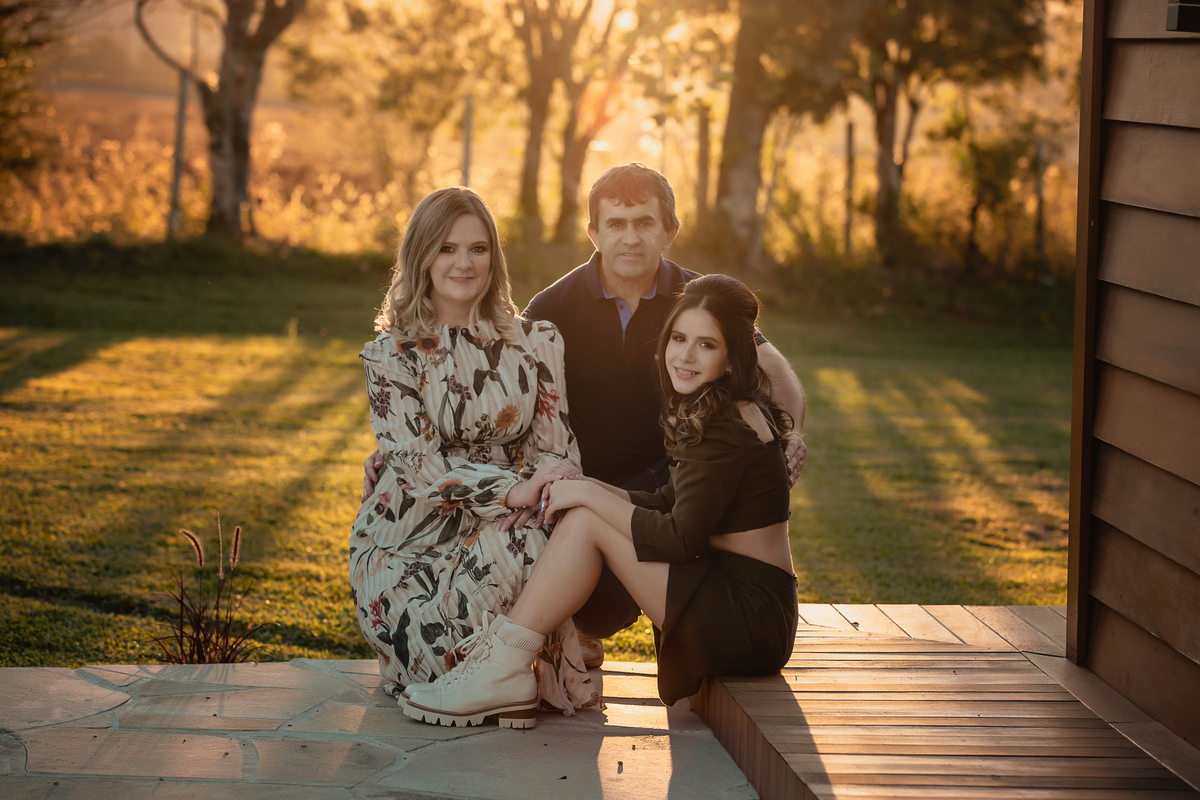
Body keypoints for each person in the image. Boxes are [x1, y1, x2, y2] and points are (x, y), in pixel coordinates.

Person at [363, 164, 807, 666]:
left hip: (689, 473)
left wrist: (787, 434)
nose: (630, 238)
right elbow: (501, 393)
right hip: (601, 479)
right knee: (580, 536)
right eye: (616, 224)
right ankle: (571, 628)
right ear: (593, 232)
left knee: (688, 518)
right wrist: (397, 446)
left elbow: (769, 367)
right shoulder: (554, 307)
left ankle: (659, 634)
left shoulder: (698, 298)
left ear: (669, 231)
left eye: (644, 223)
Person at [402, 274, 798, 728]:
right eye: (679, 338)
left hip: (749, 620)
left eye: (706, 345)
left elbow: (679, 537)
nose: (685, 356)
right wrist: (583, 485)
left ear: (732, 358)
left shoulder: (723, 424)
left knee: (586, 520)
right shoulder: (729, 408)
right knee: (585, 512)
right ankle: (501, 668)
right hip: (751, 606)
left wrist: (588, 494)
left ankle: (501, 671)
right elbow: (668, 500)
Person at [350, 187, 600, 714]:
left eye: (478, 248)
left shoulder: (537, 342)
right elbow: (419, 466)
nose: (464, 263)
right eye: (447, 248)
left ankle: (504, 674)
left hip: (507, 529)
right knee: (438, 664)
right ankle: (506, 668)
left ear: (494, 257)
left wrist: (534, 491)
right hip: (409, 548)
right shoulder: (391, 355)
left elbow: (555, 452)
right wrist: (513, 491)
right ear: (422, 256)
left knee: (544, 538)